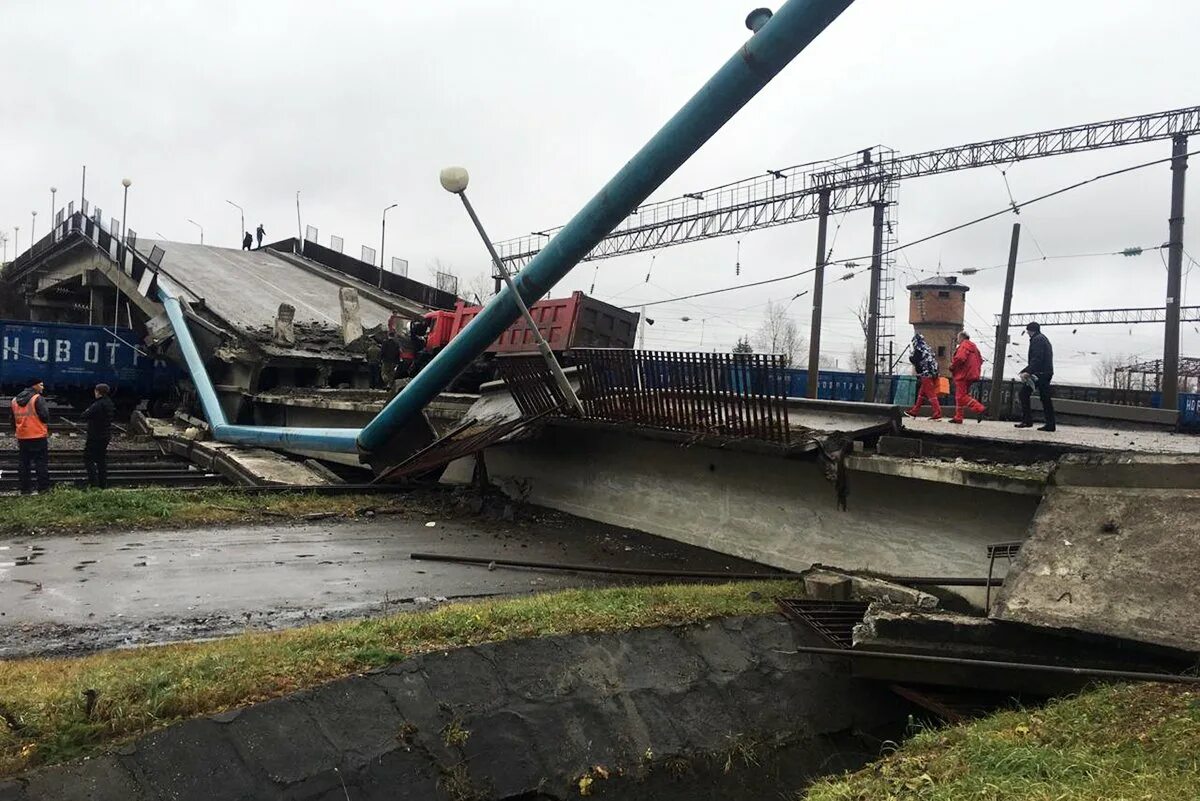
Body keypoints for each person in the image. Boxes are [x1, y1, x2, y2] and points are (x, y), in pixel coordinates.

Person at [11, 379, 51, 495]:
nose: (43, 387)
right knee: (41, 463)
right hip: (37, 435)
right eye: (41, 385)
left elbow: (12, 420)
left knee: (24, 463)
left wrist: (19, 430)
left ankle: (25, 489)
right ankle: (43, 489)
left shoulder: (14, 400)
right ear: (35, 386)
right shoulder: (37, 398)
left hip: (22, 437)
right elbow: (45, 416)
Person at [1017, 322, 1056, 431]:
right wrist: (1025, 370)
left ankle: (1028, 420)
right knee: (1045, 398)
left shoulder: (1037, 339)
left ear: (1030, 330)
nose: (1027, 333)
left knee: (1023, 394)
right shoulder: (1043, 338)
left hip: (1040, 374)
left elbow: (1037, 358)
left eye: (1027, 331)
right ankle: (1050, 424)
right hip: (1045, 372)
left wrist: (1028, 372)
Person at [80, 383, 115, 489]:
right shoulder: (109, 403)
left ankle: (93, 483)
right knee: (101, 460)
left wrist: (86, 411)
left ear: (98, 392)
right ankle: (103, 484)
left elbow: (84, 416)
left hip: (95, 436)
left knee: (88, 458)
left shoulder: (97, 404)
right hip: (105, 435)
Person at [949, 331, 987, 424]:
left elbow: (960, 358)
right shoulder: (974, 347)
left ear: (962, 338)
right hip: (972, 374)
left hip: (963, 374)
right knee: (960, 396)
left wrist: (952, 366)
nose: (957, 341)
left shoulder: (964, 345)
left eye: (958, 339)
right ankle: (958, 417)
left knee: (961, 396)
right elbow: (981, 360)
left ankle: (979, 408)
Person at [903, 332, 942, 420]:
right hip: (932, 373)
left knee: (931, 394)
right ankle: (914, 412)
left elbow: (915, 360)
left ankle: (937, 414)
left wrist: (910, 357)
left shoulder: (919, 349)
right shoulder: (928, 348)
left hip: (926, 374)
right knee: (921, 395)